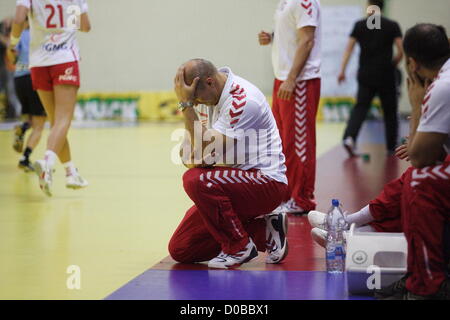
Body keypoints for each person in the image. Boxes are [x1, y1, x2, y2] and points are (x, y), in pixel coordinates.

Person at [309, 23, 450, 300]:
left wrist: (416, 104)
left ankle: (425, 286)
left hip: (369, 77)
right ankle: (352, 230)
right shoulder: (395, 30)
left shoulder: (441, 86)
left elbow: (421, 158)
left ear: (412, 63)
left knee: (418, 180)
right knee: (411, 179)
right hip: (382, 78)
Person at [168, 59, 289, 269]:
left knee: (196, 180)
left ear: (209, 82)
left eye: (195, 98)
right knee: (181, 248)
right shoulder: (209, 99)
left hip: (266, 183)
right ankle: (265, 231)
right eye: (191, 100)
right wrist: (199, 152)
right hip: (232, 183)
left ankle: (239, 247)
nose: (195, 103)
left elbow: (203, 151)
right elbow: (187, 151)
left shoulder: (242, 101)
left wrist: (186, 106)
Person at [8, 0, 91, 196]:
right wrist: (64, 24)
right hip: (64, 59)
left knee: (56, 122)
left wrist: (13, 42)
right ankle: (47, 162)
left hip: (38, 62)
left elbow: (19, 18)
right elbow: (85, 26)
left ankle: (71, 172)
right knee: (63, 120)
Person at [258, 0, 322, 215]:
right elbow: (293, 36)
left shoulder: (306, 1)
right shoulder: (285, 2)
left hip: (299, 81)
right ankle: (285, 195)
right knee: (283, 139)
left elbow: (307, 40)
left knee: (299, 142)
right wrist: (273, 38)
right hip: (283, 77)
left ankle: (302, 198)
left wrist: (292, 78)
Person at [338, 0, 403, 157]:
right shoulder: (392, 25)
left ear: (369, 6)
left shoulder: (360, 25)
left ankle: (350, 138)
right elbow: (401, 50)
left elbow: (349, 48)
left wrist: (342, 71)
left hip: (366, 74)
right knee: (390, 110)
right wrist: (393, 63)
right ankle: (391, 146)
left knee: (360, 108)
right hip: (386, 74)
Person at [8, 19, 46, 172]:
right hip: (34, 78)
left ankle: (23, 128)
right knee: (40, 124)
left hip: (19, 79)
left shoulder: (19, 36)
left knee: (30, 117)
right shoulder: (41, 35)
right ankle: (25, 158)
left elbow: (12, 56)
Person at [0, 17, 20, 119]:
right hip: (5, 68)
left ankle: (17, 112)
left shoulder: (14, 37)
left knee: (11, 92)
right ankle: (12, 113)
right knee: (8, 92)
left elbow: (10, 45)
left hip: (11, 68)